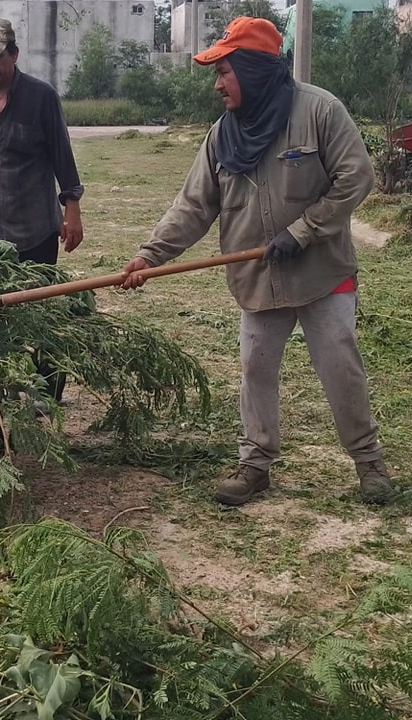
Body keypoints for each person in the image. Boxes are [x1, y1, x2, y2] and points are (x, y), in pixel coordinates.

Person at [118, 17, 393, 506]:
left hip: (322, 273)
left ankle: (368, 461)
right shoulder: (222, 136)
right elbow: (194, 206)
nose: (217, 84)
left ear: (253, 70)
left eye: (224, 72)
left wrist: (303, 231)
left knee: (339, 365)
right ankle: (255, 464)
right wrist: (148, 255)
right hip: (258, 279)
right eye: (216, 73)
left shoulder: (319, 111)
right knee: (255, 369)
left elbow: (356, 178)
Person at [0, 17, 85, 403]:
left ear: (13, 54)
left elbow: (63, 157)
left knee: (40, 315)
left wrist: (71, 210)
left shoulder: (41, 98)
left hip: (34, 231)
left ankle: (46, 395)